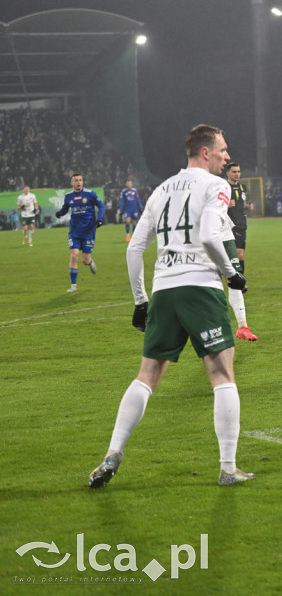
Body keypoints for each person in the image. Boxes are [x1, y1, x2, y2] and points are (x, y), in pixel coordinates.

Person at [87, 124, 253, 489]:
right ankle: (228, 468)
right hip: (200, 288)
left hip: (163, 290)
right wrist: (232, 275)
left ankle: (113, 453)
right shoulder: (216, 186)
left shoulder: (161, 189)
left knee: (147, 376)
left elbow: (134, 249)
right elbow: (210, 235)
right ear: (205, 152)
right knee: (222, 375)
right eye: (223, 150)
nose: (228, 157)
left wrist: (140, 301)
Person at [55, 173, 105, 292]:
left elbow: (101, 206)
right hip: (75, 231)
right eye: (76, 180)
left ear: (83, 182)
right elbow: (65, 208)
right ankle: (73, 286)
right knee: (74, 255)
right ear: (71, 183)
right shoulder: (68, 196)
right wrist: (60, 213)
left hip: (88, 230)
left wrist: (100, 219)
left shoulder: (90, 194)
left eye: (80, 180)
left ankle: (90, 261)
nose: (78, 182)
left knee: (85, 260)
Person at [225, 162, 257, 341]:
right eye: (234, 172)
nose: (237, 174)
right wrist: (226, 205)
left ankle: (239, 282)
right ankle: (236, 281)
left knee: (240, 255)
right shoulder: (223, 187)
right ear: (227, 173)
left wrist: (247, 206)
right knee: (234, 258)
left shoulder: (242, 187)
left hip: (241, 225)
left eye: (238, 171)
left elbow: (242, 202)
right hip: (226, 228)